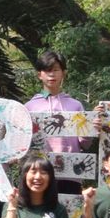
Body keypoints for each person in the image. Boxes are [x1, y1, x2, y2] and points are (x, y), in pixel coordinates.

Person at [25, 50, 88, 195]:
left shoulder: (76, 106)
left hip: (70, 171)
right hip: (39, 173)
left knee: (69, 215)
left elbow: (85, 143)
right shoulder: (29, 107)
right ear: (39, 74)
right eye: (47, 70)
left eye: (56, 70)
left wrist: (90, 128)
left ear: (63, 73)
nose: (51, 74)